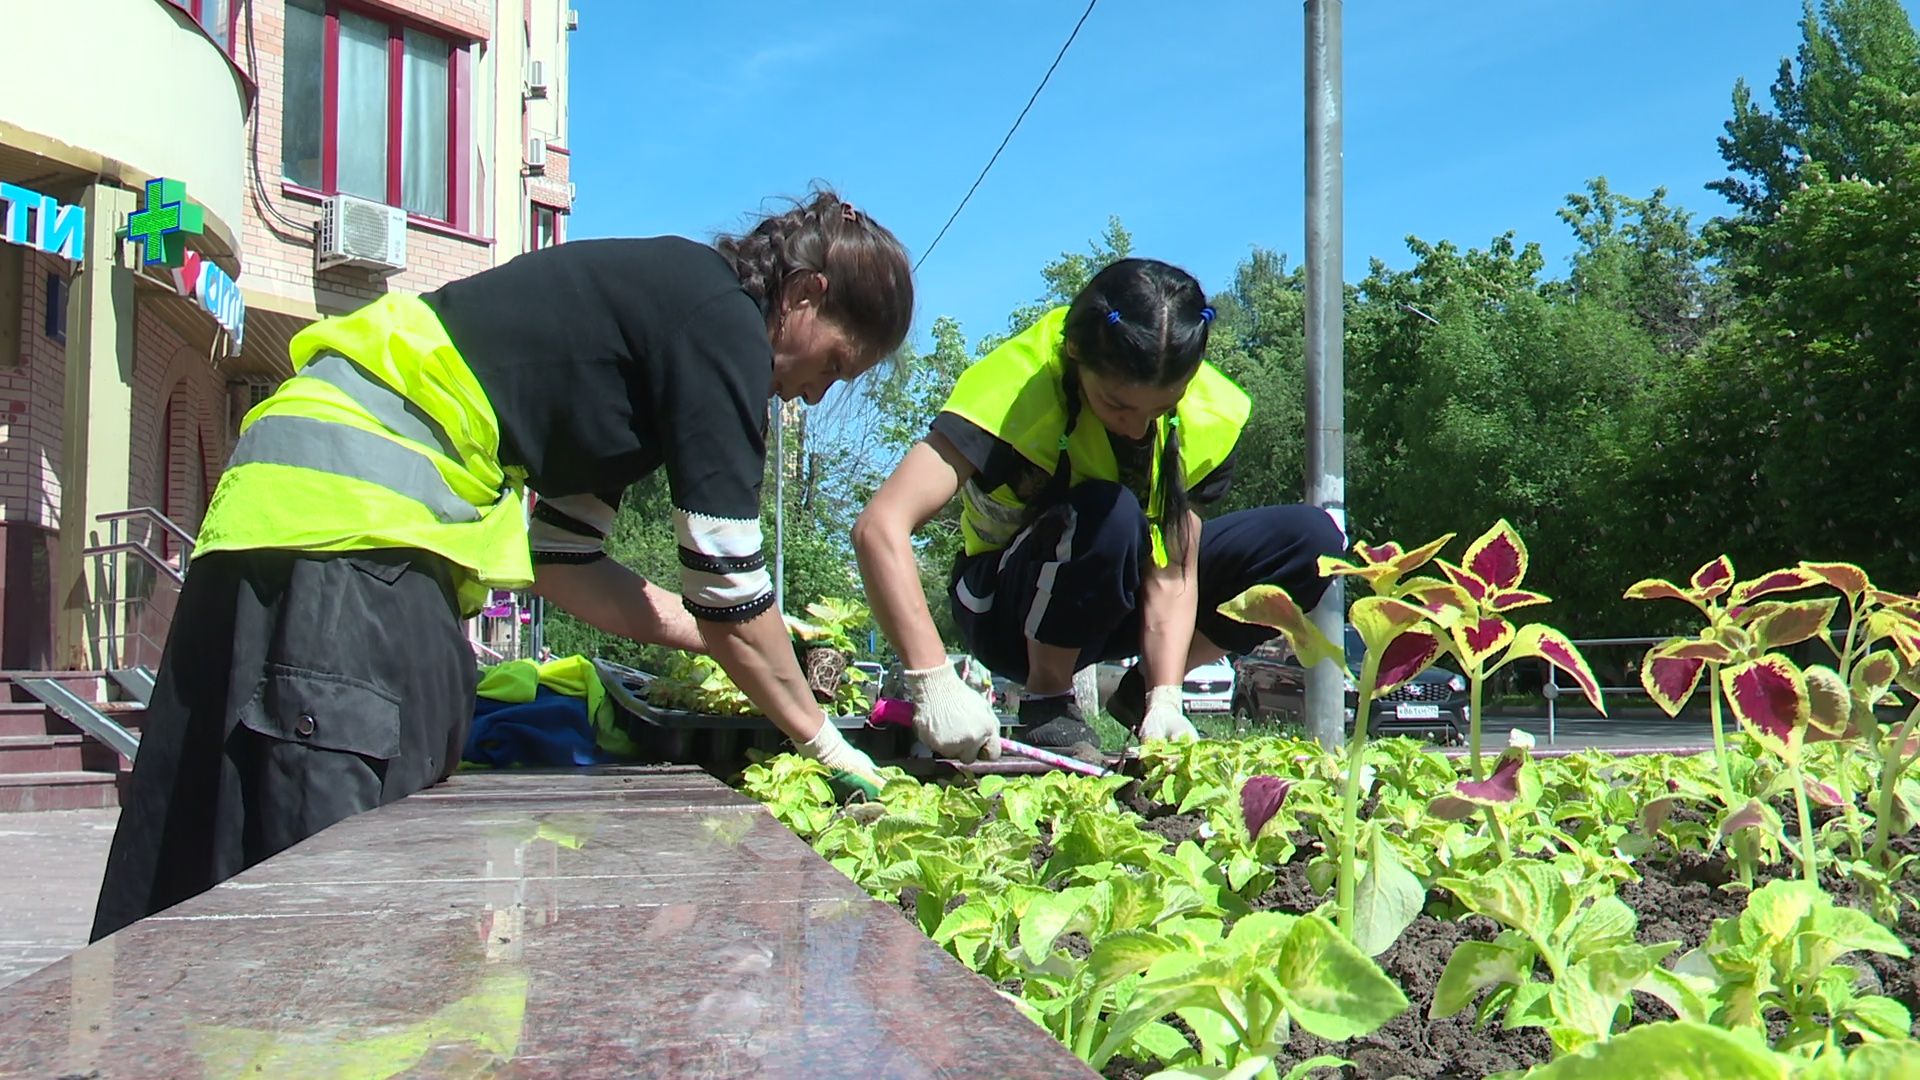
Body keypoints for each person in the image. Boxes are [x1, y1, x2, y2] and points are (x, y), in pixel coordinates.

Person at [91, 189, 910, 939]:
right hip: (358, 536)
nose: (814, 394)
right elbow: (730, 588)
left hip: (276, 515)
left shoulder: (654, 333)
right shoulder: (723, 322)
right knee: (347, 915)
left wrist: (735, 642)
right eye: (835, 365)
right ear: (804, 296)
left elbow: (564, 562)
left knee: (206, 859)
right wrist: (827, 746)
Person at [853, 258, 1343, 759]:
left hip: (1116, 601)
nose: (1136, 428)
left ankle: (1142, 692)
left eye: (1160, 410)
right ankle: (1048, 701)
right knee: (1111, 511)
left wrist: (1166, 695)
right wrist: (933, 680)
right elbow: (880, 526)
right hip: (1003, 609)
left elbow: (1174, 566)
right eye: (1117, 405)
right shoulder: (1015, 386)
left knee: (1312, 542)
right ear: (1075, 353)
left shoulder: (1210, 411)